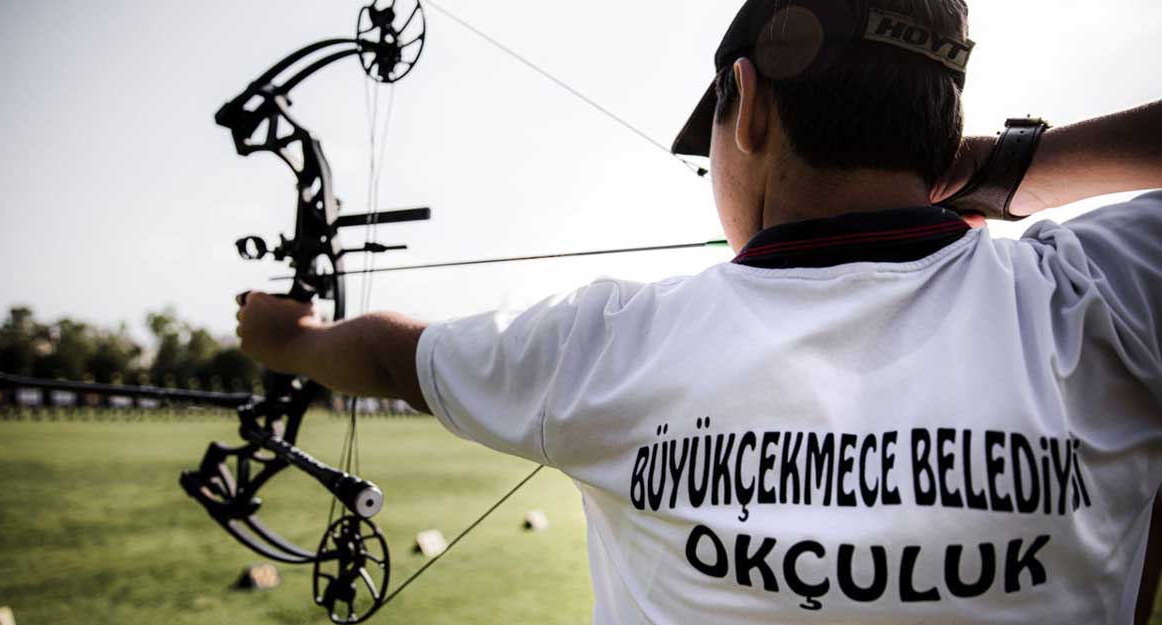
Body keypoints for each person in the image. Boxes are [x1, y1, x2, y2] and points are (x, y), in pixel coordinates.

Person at [235, 0, 1162, 622]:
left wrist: (290, 338)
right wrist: (1006, 167)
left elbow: (397, 359)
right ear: (943, 125)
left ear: (747, 105)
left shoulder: (605, 346)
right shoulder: (1102, 294)